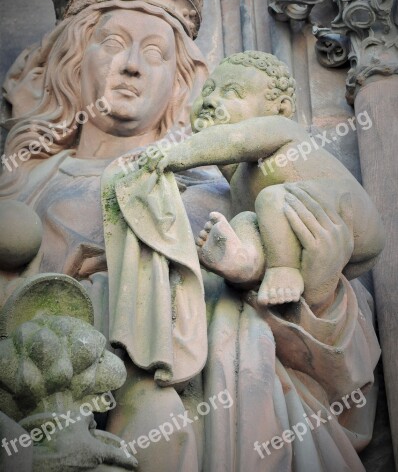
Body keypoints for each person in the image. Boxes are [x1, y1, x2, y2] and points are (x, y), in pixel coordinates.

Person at [0, 0, 380, 472]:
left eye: (154, 52)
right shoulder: (23, 184)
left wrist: (316, 293)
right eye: (111, 43)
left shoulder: (226, 183)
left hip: (208, 421)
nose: (130, 64)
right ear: (71, 62)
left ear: (180, 78)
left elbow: (342, 372)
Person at [149, 51, 385, 307]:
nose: (211, 100)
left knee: (273, 198)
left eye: (231, 92)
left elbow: (231, 141)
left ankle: (283, 270)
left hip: (354, 220)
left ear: (280, 108)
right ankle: (245, 262)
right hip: (309, 243)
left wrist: (171, 155)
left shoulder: (280, 129)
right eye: (208, 90)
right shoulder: (239, 183)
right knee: (245, 221)